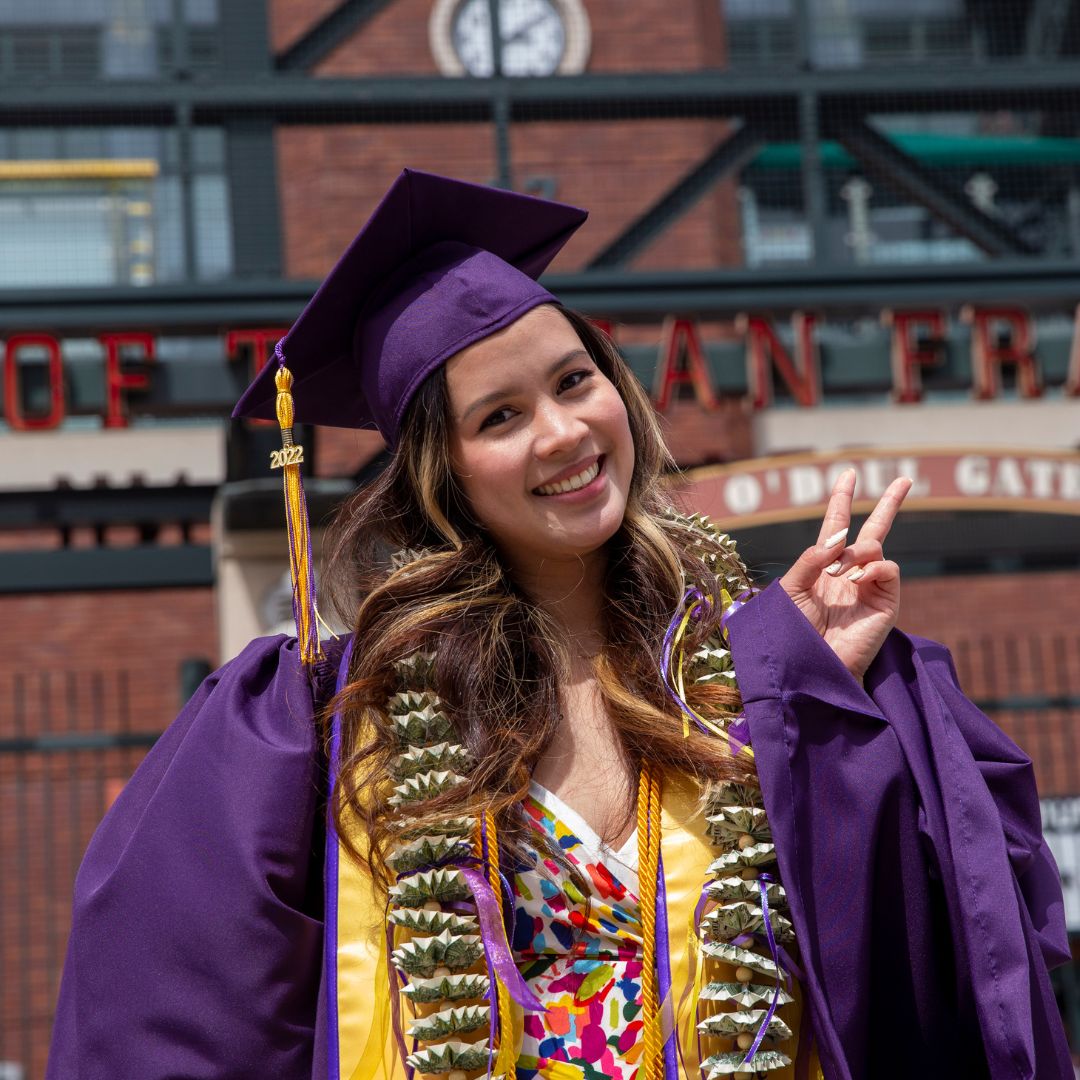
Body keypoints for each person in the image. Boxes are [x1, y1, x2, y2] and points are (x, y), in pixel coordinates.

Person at [47, 170, 1072, 1080]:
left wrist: (823, 697)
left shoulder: (745, 670)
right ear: (442, 472)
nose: (566, 432)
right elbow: (175, 1001)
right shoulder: (319, 719)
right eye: (500, 416)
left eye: (575, 381)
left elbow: (956, 931)